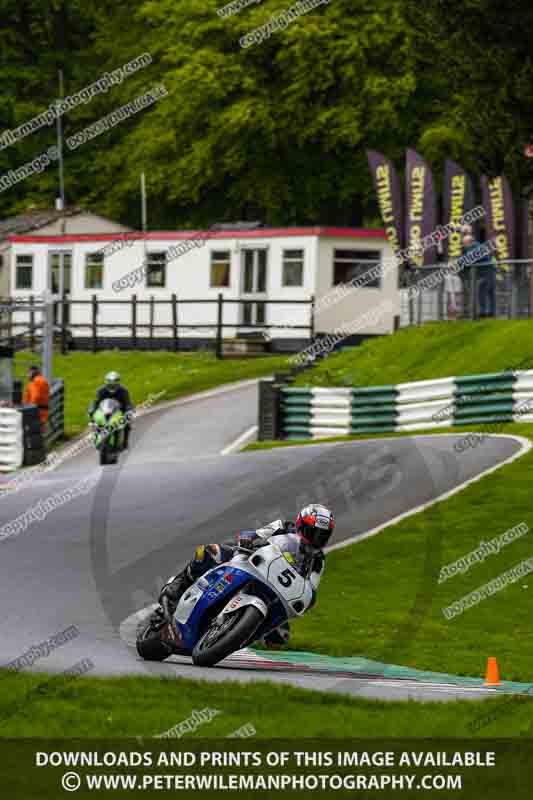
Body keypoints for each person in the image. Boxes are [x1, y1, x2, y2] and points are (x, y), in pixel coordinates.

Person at [157, 504, 335, 646]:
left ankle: (239, 633)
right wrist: (248, 539)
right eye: (314, 533)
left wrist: (309, 599)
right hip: (249, 560)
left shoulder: (318, 561)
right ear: (301, 525)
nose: (317, 539)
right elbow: (257, 534)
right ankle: (177, 586)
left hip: (275, 591)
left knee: (281, 637)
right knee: (209, 552)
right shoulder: (283, 527)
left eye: (323, 536)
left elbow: (310, 589)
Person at [88, 371, 134, 449]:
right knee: (95, 421)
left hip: (119, 411)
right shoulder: (101, 390)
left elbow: (127, 402)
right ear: (106, 382)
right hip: (104, 410)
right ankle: (95, 437)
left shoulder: (123, 391)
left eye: (114, 384)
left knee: (127, 423)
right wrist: (92, 410)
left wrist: (129, 410)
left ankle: (125, 442)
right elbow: (97, 401)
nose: (112, 386)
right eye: (110, 384)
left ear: (118, 383)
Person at [462, 228, 496, 318]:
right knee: (488, 292)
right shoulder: (475, 247)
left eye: (464, 243)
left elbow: (470, 258)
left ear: (469, 242)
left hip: (486, 273)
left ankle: (484, 312)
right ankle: (489, 312)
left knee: (483, 291)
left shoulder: (474, 247)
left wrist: (458, 263)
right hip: (487, 272)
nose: (463, 245)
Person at [23, 365, 50, 434]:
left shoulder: (34, 382)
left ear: (32, 372)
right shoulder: (44, 381)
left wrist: (28, 409)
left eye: (28, 373)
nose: (27, 375)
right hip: (44, 412)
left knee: (33, 435)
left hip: (35, 413)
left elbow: (35, 397)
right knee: (40, 433)